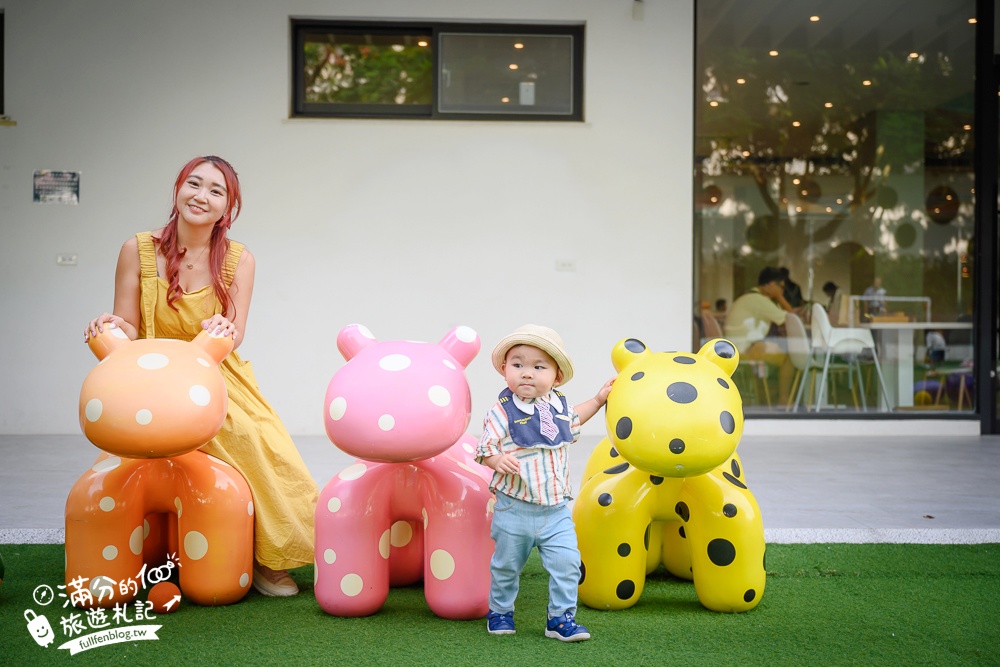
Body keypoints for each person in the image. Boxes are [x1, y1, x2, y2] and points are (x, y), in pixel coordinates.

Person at [84, 156, 318, 597]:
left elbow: (236, 330)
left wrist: (224, 330)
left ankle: (267, 559)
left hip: (213, 371)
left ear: (227, 207)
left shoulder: (238, 259)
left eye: (216, 191)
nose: (201, 196)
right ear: (178, 189)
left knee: (255, 439)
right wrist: (109, 327)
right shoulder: (137, 249)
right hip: (151, 373)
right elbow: (129, 325)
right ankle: (147, 553)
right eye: (194, 183)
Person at [475, 324, 614, 642]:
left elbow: (575, 419)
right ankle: (500, 611)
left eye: (539, 367)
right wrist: (497, 460)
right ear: (504, 369)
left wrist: (597, 399)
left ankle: (560, 618)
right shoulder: (502, 412)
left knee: (567, 563)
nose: (527, 373)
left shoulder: (560, 408)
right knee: (507, 566)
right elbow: (485, 449)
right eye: (518, 364)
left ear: (557, 377)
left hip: (555, 511)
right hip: (514, 508)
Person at [724, 266, 796, 404]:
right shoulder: (758, 299)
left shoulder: (751, 297)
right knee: (791, 355)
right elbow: (790, 318)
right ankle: (784, 400)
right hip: (744, 348)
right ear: (770, 284)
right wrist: (780, 298)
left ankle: (770, 394)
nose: (782, 290)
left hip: (739, 346)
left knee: (777, 348)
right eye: (780, 287)